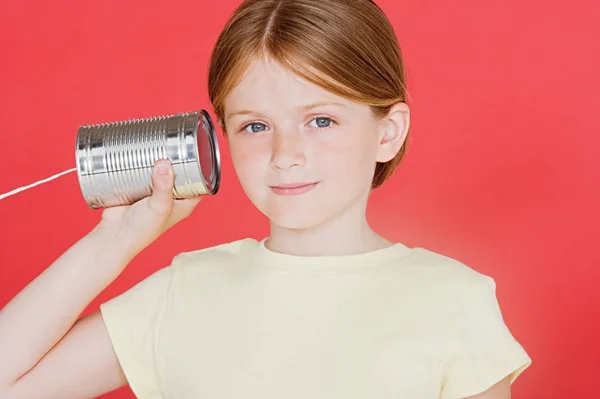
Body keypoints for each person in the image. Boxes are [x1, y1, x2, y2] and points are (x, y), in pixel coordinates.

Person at [0, 0, 531, 398]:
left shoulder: (452, 300)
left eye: (320, 120)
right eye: (255, 126)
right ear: (224, 137)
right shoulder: (183, 292)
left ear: (387, 132)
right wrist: (113, 243)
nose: (285, 153)